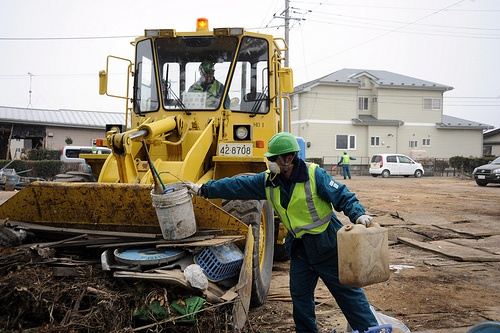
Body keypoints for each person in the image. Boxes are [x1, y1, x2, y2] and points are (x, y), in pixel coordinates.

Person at [185, 132, 378, 333]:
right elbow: (235, 186)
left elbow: (342, 195)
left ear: (288, 158)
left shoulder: (314, 175)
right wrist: (202, 189)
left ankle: (370, 329)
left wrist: (358, 215)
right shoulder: (269, 180)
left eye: (272, 158)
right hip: (300, 249)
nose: (269, 162)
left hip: (327, 246)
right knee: (301, 299)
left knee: (347, 294)